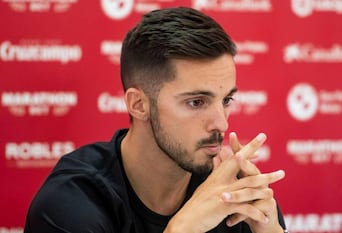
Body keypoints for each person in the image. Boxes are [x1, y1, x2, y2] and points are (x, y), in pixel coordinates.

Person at [24, 7, 288, 233]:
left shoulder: (233, 195)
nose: (221, 123)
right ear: (139, 105)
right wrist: (182, 228)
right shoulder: (71, 203)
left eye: (226, 100)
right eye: (196, 102)